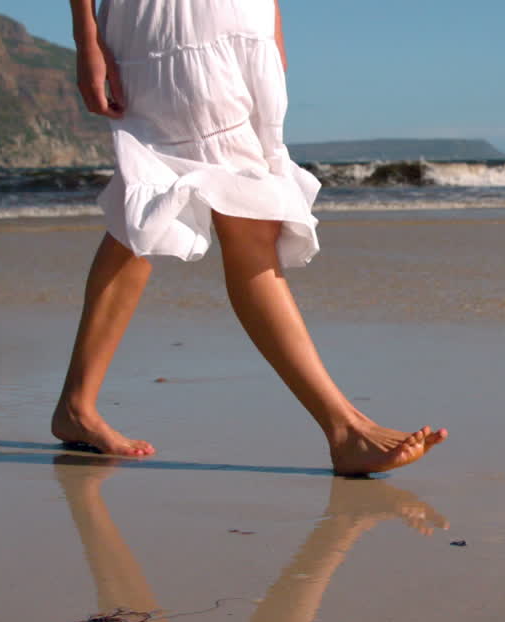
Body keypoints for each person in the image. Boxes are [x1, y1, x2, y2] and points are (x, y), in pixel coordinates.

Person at [55, 0, 446, 475]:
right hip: (173, 25)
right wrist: (86, 37)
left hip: (245, 23)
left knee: (150, 204)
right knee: (236, 214)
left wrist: (271, 23)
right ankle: (344, 427)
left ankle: (77, 406)